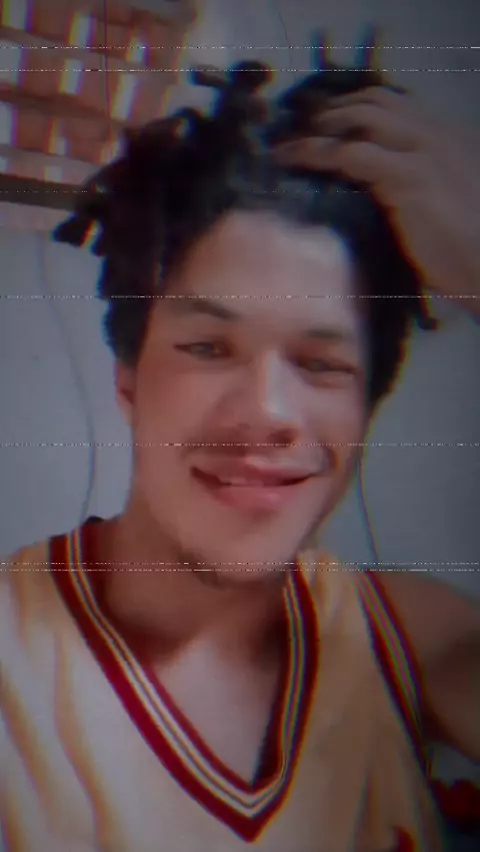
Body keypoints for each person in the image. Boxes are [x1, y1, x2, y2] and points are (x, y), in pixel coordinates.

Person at [1, 52, 479, 852]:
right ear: (129, 380)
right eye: (207, 348)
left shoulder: (406, 639)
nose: (267, 410)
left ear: (367, 407)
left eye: (321, 364)